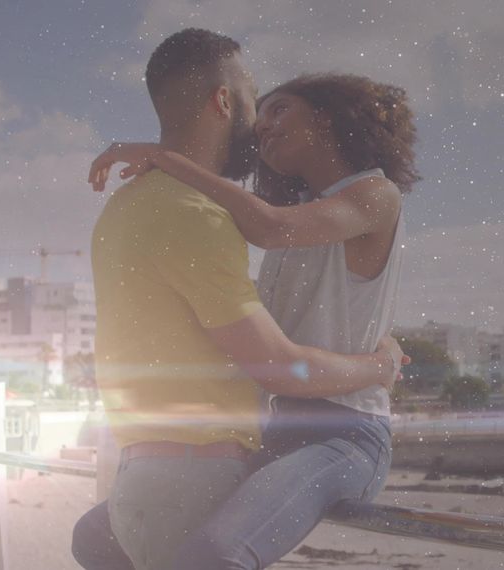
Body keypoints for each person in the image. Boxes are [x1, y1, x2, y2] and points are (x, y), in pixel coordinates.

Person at [74, 28, 414, 570]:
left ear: (326, 118)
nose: (263, 124)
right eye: (262, 109)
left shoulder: (376, 194)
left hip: (347, 433)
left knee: (215, 556)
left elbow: (269, 226)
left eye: (279, 110)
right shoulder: (301, 213)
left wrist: (164, 156)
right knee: (94, 535)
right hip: (276, 431)